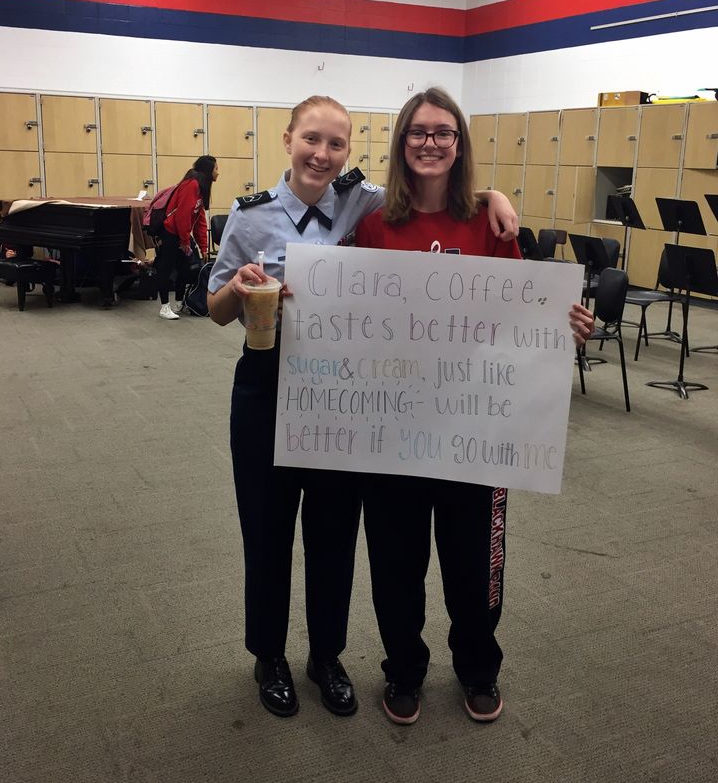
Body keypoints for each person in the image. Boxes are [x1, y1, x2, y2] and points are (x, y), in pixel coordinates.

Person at [206, 94, 520, 719]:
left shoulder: (363, 203)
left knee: (333, 534)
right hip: (268, 386)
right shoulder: (249, 216)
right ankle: (268, 656)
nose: (322, 154)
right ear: (288, 138)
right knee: (267, 533)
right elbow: (212, 307)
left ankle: (327, 655)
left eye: (337, 144)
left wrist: (493, 198)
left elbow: (437, 189)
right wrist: (239, 292)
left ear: (351, 151)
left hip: (340, 392)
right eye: (311, 140)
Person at [354, 87, 594, 726]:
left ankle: (477, 667)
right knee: (396, 560)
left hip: (476, 428)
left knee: (474, 563)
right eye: (418, 132)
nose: (430, 143)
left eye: (444, 132)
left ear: (459, 146)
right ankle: (402, 667)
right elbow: (350, 314)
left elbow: (521, 310)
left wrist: (560, 322)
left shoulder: (489, 223)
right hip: (397, 431)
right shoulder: (376, 226)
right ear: (402, 142)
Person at [156, 155, 217, 320]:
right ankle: (164, 307)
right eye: (216, 169)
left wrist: (203, 247)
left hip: (182, 234)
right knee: (166, 269)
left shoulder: (201, 187)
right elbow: (182, 216)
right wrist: (184, 242)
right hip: (170, 232)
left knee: (184, 269)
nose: (218, 173)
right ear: (208, 170)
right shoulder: (191, 185)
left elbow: (200, 221)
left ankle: (178, 303)